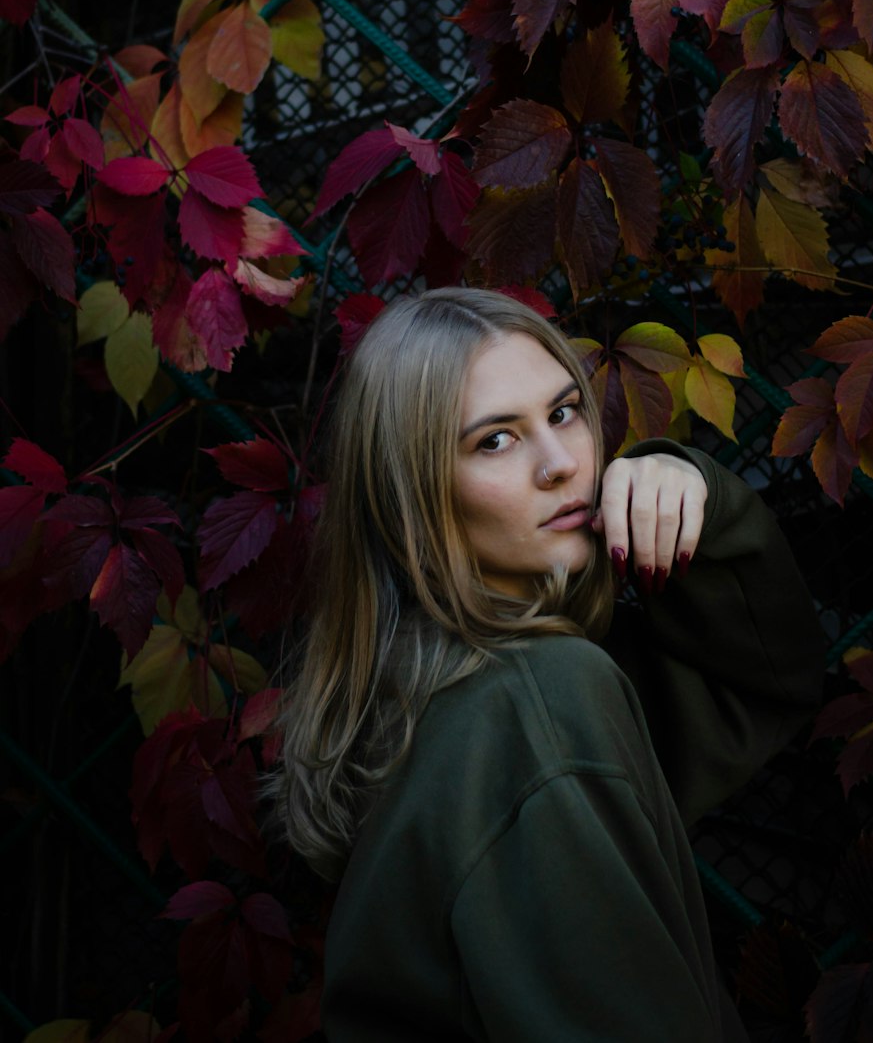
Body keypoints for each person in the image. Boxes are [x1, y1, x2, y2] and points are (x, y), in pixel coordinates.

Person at [274, 287, 826, 1042]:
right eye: (494, 440)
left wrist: (696, 496)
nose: (562, 464)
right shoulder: (537, 698)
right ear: (411, 494)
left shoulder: (441, 692)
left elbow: (760, 686)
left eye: (564, 412)